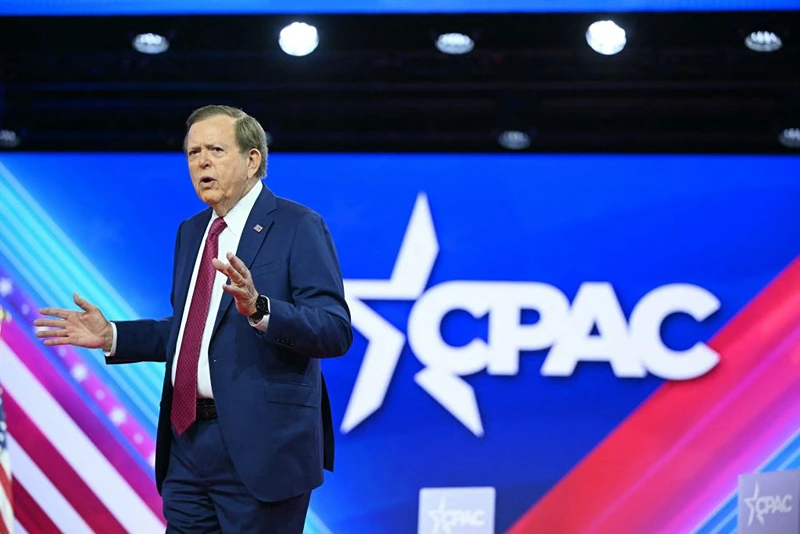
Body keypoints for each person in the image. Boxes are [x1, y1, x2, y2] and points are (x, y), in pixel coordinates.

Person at [34, 105, 353, 533]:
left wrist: (261, 309)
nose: (201, 161)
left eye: (216, 150)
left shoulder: (298, 225)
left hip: (264, 448)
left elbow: (334, 330)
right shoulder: (192, 231)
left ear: (252, 159)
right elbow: (192, 332)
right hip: (187, 445)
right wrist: (113, 335)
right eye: (193, 152)